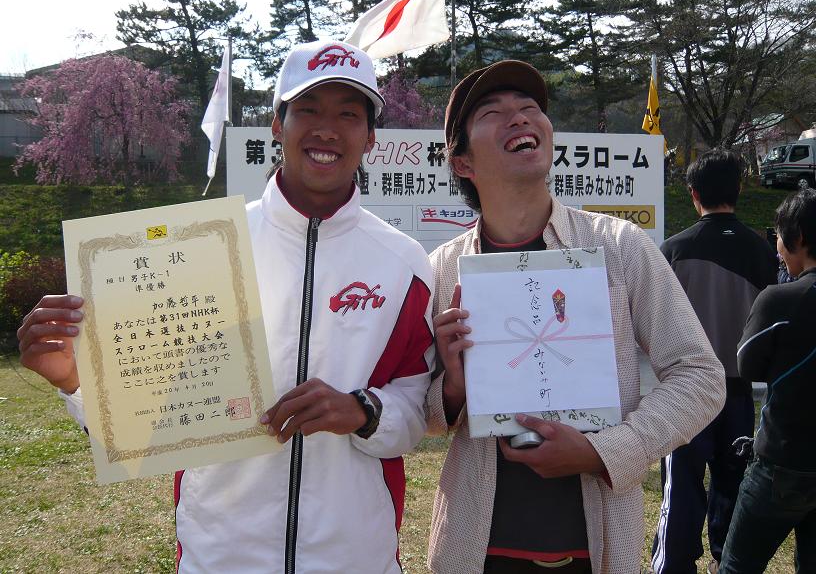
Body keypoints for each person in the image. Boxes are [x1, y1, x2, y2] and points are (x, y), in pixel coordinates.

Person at [16, 39, 434, 574]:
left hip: (356, 556)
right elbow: (146, 415)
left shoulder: (403, 263)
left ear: (371, 137)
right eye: (307, 109)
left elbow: (415, 408)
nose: (327, 129)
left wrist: (363, 411)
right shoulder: (199, 247)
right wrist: (76, 382)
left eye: (348, 115)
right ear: (277, 125)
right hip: (220, 554)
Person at [425, 60, 726, 573]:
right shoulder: (442, 269)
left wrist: (605, 451)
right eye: (493, 112)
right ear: (462, 162)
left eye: (530, 107)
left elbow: (700, 375)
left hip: (594, 548)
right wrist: (452, 388)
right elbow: (425, 416)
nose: (520, 117)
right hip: (474, 548)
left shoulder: (618, 247)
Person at [650, 149, 778, 574]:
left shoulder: (673, 250)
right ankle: (728, 561)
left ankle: (675, 564)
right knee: (734, 485)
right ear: (738, 189)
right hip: (738, 392)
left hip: (684, 392)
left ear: (693, 194)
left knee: (681, 488)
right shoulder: (762, 252)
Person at [719, 189, 816, 573]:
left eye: (778, 235)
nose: (777, 247)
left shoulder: (781, 299)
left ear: (798, 237)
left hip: (781, 464)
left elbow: (747, 365)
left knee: (737, 566)